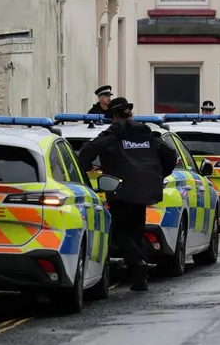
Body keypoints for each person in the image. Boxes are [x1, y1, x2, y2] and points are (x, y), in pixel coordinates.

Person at [76, 97, 179, 292]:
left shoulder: (113, 135)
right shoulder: (146, 133)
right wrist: (156, 175)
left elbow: (87, 151)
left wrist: (83, 170)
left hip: (121, 190)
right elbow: (170, 155)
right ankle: (140, 278)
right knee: (136, 230)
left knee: (119, 232)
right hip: (145, 190)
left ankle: (138, 264)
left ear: (114, 116)